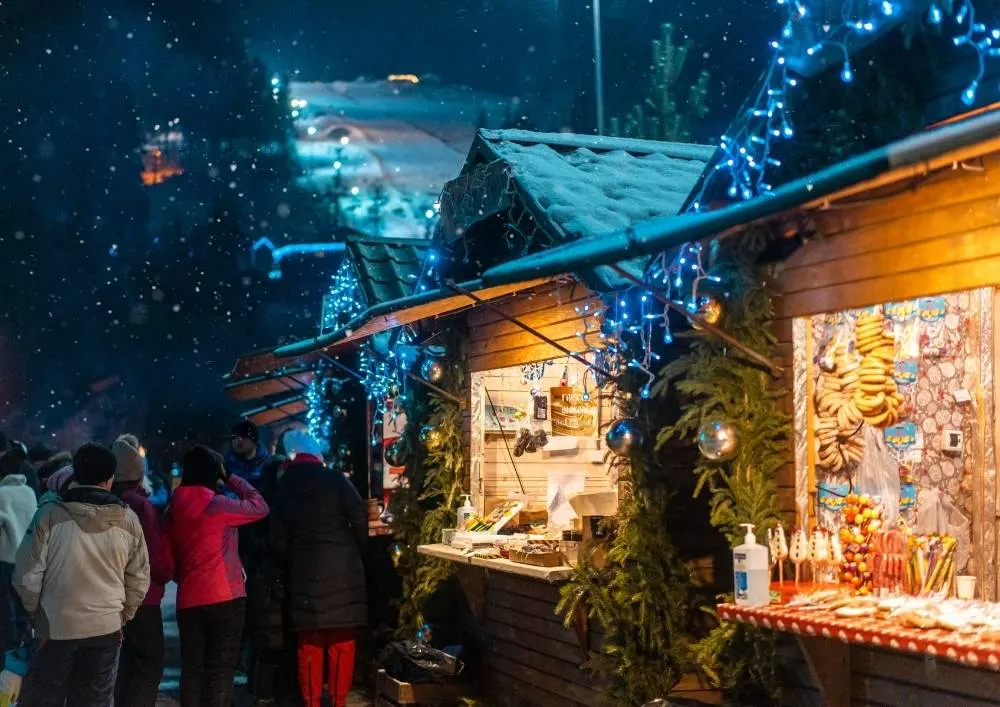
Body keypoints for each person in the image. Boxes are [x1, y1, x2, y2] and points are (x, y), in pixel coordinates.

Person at [13, 443, 150, 707]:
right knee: (95, 700)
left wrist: (37, 614)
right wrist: (123, 615)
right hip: (106, 626)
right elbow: (139, 578)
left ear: (74, 474)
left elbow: (25, 575)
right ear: (110, 479)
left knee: (47, 697)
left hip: (56, 625)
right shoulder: (128, 520)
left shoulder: (49, 515)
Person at [165, 445, 269, 707]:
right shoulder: (218, 505)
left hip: (189, 598)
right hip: (225, 596)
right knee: (221, 670)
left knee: (192, 669)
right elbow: (259, 506)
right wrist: (231, 477)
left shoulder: (173, 508)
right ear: (213, 472)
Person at [270, 430, 367, 707]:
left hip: (305, 572)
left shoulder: (285, 486)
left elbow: (276, 537)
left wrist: (295, 557)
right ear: (317, 457)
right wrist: (355, 549)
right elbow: (359, 514)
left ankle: (312, 702)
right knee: (341, 642)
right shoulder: (336, 480)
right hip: (344, 570)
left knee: (309, 645)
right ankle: (338, 701)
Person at [112, 434, 173, 707]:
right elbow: (156, 557)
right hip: (143, 596)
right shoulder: (140, 506)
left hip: (113, 596)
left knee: (124, 664)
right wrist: (167, 572)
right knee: (149, 662)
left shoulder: (107, 503)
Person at [0, 456, 38, 666]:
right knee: (24, 605)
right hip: (28, 557)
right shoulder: (29, 492)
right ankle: (26, 644)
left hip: (5, 558)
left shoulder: (2, 494)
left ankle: (10, 646)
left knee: (7, 606)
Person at [226, 419, 270, 484]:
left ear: (254, 441)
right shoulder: (227, 463)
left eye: (244, 435)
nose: (238, 439)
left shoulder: (267, 464)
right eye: (234, 436)